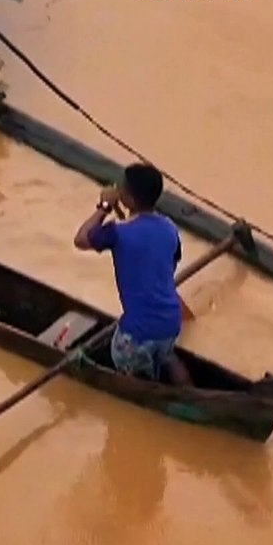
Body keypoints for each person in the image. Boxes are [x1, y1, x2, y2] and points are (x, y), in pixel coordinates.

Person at [73, 163, 191, 384]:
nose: (118, 188)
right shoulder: (169, 228)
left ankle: (138, 380)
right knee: (165, 353)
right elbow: (170, 265)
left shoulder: (117, 232)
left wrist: (104, 206)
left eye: (122, 188)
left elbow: (80, 239)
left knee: (120, 349)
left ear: (130, 200)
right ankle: (183, 383)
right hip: (172, 323)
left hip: (139, 334)